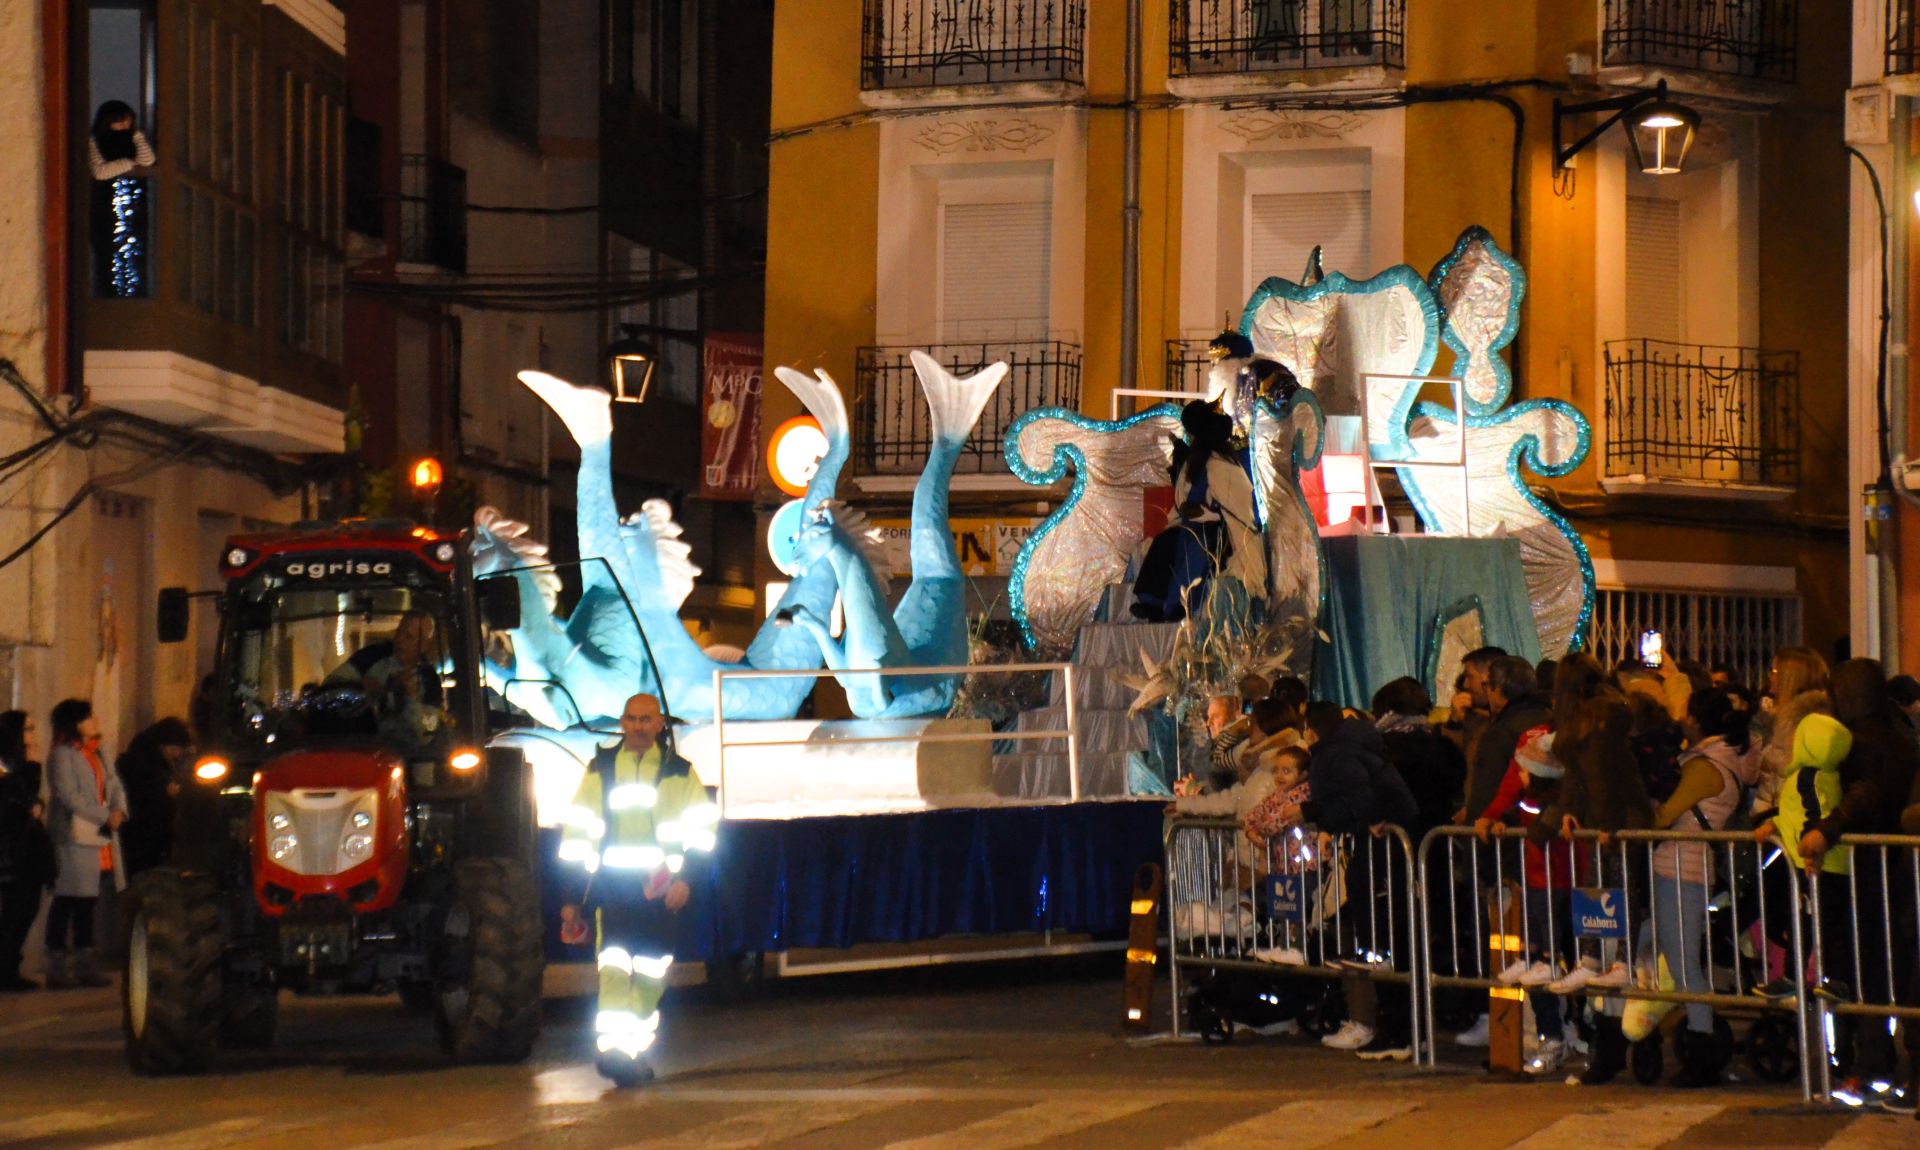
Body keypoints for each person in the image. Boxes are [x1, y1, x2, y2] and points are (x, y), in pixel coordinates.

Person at [557, 693, 718, 1087]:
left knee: (650, 974)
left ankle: (630, 1052)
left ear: (660, 724)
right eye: (632, 719)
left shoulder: (681, 772)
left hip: (661, 897)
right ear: (622, 722)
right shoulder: (602, 769)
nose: (639, 726)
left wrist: (686, 880)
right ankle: (614, 1051)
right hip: (613, 892)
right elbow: (578, 830)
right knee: (613, 969)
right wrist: (570, 897)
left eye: (646, 719)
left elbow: (703, 832)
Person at [1799, 659, 1920, 1095]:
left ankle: (1876, 1065)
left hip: (1877, 871)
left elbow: (1864, 794)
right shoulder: (1901, 732)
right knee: (1902, 972)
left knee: (1876, 971)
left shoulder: (1863, 741)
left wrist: (1827, 828)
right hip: (1899, 870)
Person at [1647, 686, 1761, 1088]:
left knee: (1684, 966)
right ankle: (1663, 1032)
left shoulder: (1704, 767)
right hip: (1689, 866)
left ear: (1696, 720)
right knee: (1657, 946)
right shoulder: (1725, 760)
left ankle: (1701, 1049)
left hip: (1682, 867)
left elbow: (1665, 818)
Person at [1295, 701, 1419, 1062]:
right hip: (1380, 851)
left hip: (1378, 855)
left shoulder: (1336, 755)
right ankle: (1396, 1029)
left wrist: (1322, 814)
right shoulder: (1359, 745)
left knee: (1384, 942)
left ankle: (1398, 1032)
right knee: (1384, 942)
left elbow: (1358, 799)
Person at [1130, 400, 1262, 621]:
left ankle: (1179, 605)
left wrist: (1206, 514)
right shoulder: (1194, 464)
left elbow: (1238, 511)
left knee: (1198, 548)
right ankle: (1152, 602)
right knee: (1165, 542)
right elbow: (1182, 500)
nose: (1189, 439)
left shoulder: (1224, 465)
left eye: (1191, 435)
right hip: (1189, 526)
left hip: (1222, 533)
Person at [42, 699, 125, 989]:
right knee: (68, 898)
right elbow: (68, 795)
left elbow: (112, 784)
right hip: (73, 834)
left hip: (95, 834)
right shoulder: (63, 755)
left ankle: (84, 962)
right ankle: (57, 965)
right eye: (88, 718)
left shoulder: (97, 751)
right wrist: (104, 815)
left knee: (87, 900)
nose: (94, 721)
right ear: (76, 723)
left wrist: (118, 810)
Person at [1458, 656, 1549, 826]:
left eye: (1487, 686)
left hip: (1503, 834)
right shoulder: (1549, 722)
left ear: (1498, 689)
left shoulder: (1501, 733)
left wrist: (1478, 823)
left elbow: (1488, 789)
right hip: (1544, 828)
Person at [329, 610, 445, 744]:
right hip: (364, 744)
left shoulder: (430, 680)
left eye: (408, 636)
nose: (400, 640)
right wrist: (360, 688)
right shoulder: (372, 656)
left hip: (408, 755)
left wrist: (410, 699)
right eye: (399, 632)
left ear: (424, 645)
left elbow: (425, 735)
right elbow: (331, 687)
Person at [0, 711, 54, 991]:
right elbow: (18, 798)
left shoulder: (22, 764)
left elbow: (32, 801)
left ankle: (10, 966)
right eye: (28, 729)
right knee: (15, 911)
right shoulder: (8, 764)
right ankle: (6, 969)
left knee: (24, 910)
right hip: (13, 850)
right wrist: (32, 770)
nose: (32, 735)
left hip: (27, 851)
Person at [87, 100, 154, 297]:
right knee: (107, 256)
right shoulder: (93, 141)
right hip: (105, 208)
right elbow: (100, 171)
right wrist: (128, 163)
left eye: (128, 121)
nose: (124, 126)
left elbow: (147, 160)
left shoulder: (132, 139)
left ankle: (134, 298)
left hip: (133, 209)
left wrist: (137, 136)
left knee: (134, 256)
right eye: (119, 121)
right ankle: (108, 297)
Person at [114, 717, 192, 877]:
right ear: (164, 744)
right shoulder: (142, 762)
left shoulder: (155, 759)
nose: (177, 754)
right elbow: (140, 793)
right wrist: (165, 792)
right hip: (143, 833)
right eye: (175, 749)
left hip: (153, 832)